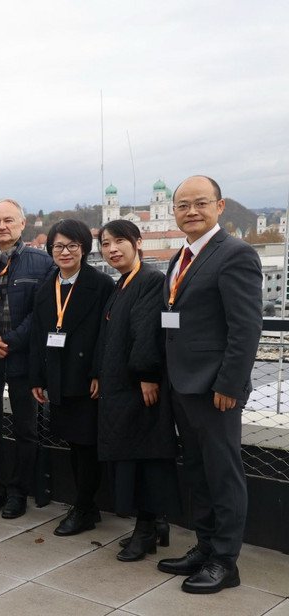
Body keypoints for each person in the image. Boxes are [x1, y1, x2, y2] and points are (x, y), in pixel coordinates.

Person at [156, 176, 262, 594]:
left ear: (220, 206)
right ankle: (204, 546)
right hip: (183, 385)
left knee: (223, 475)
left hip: (216, 389)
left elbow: (246, 327)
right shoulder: (180, 256)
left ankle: (225, 561)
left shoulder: (235, 254)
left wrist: (230, 384)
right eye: (183, 205)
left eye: (200, 203)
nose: (191, 211)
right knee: (197, 471)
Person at [95, 219, 181, 562]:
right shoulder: (122, 284)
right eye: (105, 243)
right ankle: (154, 525)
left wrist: (147, 374)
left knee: (146, 461)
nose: (112, 249)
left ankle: (145, 530)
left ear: (138, 243)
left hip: (139, 389)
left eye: (119, 241)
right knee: (134, 459)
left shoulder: (150, 281)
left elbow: (146, 329)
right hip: (119, 387)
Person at [29, 219, 114, 535]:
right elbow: (39, 335)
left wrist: (97, 373)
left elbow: (106, 336)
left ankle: (84, 508)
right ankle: (85, 505)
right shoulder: (46, 285)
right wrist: (37, 378)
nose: (64, 252)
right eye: (58, 246)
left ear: (84, 249)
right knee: (74, 446)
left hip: (86, 381)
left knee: (86, 446)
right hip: (58, 378)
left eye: (72, 246)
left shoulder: (102, 285)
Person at [0, 199, 54, 519]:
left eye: (9, 220)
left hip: (21, 358)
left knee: (25, 429)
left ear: (22, 224)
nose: (2, 226)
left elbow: (42, 313)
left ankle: (19, 491)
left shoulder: (41, 262)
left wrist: (8, 341)